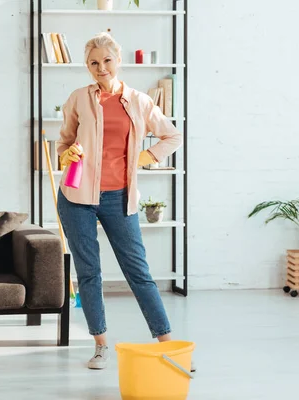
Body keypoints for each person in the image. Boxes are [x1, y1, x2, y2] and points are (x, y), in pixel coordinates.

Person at [56, 32, 186, 370]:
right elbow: (64, 143)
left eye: (106, 60)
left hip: (120, 198)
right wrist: (67, 153)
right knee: (89, 272)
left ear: (119, 60)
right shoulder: (78, 99)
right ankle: (100, 344)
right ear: (87, 66)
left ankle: (167, 345)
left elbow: (173, 135)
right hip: (77, 196)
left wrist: (147, 156)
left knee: (138, 273)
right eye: (93, 63)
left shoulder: (140, 102)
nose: (101, 67)